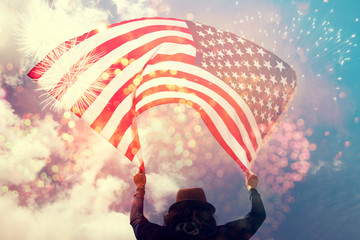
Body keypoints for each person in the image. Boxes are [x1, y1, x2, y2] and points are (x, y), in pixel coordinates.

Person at [130, 169, 266, 240]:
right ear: (205, 212)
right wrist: (252, 188)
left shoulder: (160, 235)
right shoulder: (221, 234)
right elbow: (258, 216)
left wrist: (140, 186)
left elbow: (136, 218)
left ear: (175, 213)